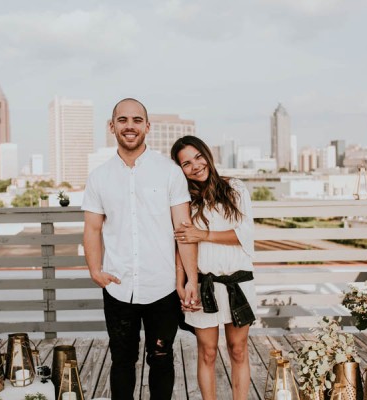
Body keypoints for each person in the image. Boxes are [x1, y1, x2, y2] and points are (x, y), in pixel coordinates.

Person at [82, 98, 199, 400]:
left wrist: (189, 281)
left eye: (136, 120)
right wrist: (95, 270)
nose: (129, 126)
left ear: (147, 126)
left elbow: (184, 232)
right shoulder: (99, 177)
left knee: (161, 357)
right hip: (118, 287)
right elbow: (92, 228)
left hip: (162, 287)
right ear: (112, 127)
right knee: (122, 361)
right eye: (122, 120)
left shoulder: (170, 172)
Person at [171, 135, 257, 400]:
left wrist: (202, 234)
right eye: (186, 163)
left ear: (207, 155)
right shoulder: (182, 200)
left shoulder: (236, 188)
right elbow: (181, 244)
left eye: (198, 157)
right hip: (204, 284)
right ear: (180, 170)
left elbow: (244, 236)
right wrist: (182, 283)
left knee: (238, 348)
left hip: (238, 282)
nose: (195, 166)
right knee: (207, 351)